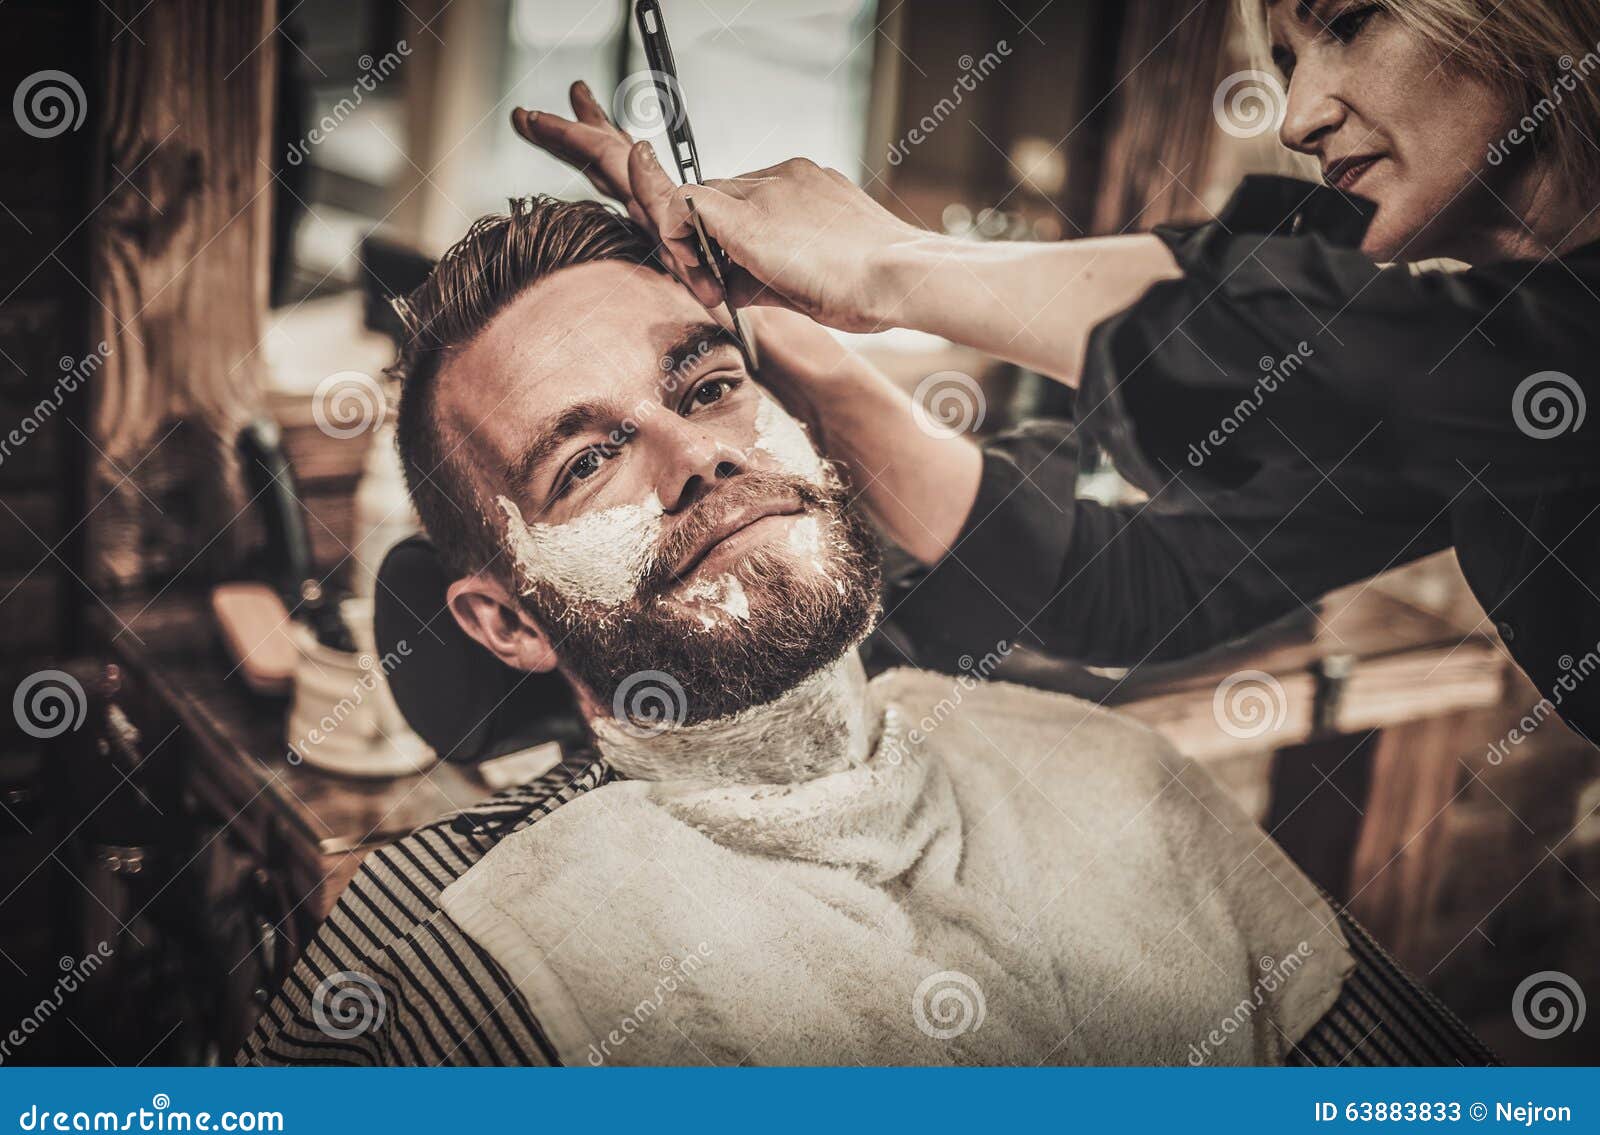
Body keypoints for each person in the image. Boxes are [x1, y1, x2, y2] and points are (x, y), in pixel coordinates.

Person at [238, 196, 1491, 1066]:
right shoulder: (449, 938)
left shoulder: (1114, 775)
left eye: (711, 384)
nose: (699, 456)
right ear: (504, 620)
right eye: (586, 459)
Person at [514, 0, 1600, 743]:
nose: (1301, 114)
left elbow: (1273, 337)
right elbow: (1128, 585)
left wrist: (891, 265)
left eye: (1350, 23)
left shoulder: (1509, 353)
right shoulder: (1464, 374)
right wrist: (785, 345)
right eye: (1281, 63)